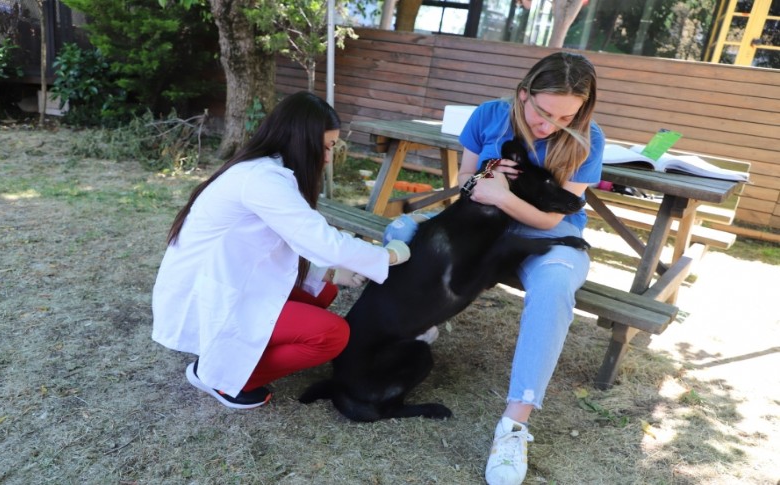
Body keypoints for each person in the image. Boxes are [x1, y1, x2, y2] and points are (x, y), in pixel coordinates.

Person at [151, 91, 411, 410]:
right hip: (213, 292)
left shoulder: (266, 171)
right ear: (303, 140)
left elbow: (280, 243)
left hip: (235, 279)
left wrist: (328, 272)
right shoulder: (262, 180)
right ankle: (223, 377)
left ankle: (232, 356)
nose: (328, 157)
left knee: (324, 289)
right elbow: (319, 240)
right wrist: (390, 256)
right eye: (327, 146)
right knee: (332, 335)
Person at [464, 52, 603, 484]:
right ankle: (414, 328)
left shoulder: (588, 139)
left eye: (566, 117)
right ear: (523, 93)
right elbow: (464, 184)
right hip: (489, 229)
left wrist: (502, 194)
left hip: (550, 239)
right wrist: (486, 175)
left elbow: (551, 220)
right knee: (407, 231)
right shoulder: (490, 115)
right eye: (543, 112)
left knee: (556, 284)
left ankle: (514, 425)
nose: (550, 126)